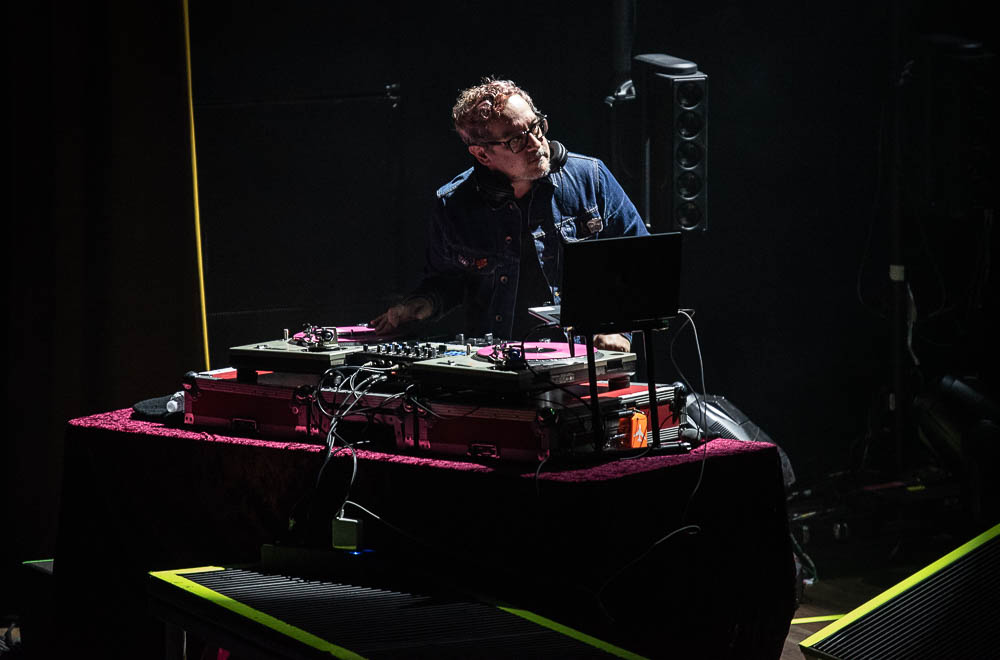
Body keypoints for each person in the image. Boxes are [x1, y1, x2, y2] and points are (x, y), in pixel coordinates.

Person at [370, 78, 648, 351]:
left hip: (581, 357)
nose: (536, 143)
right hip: (498, 361)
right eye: (517, 140)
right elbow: (446, 280)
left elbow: (640, 262)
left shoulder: (591, 179)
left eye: (536, 127)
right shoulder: (453, 204)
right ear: (482, 155)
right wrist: (422, 304)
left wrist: (619, 330)